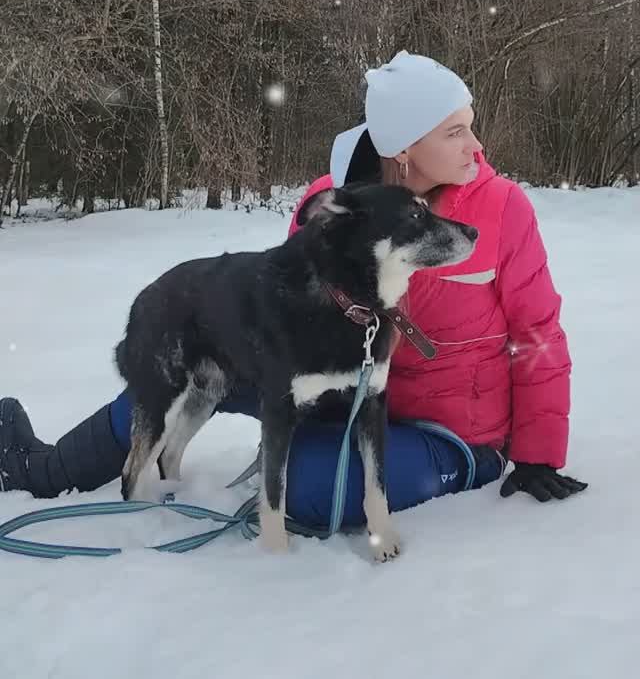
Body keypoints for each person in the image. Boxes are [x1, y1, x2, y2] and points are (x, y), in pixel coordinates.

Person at [0, 51, 587, 527]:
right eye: (456, 132)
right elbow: (280, 313)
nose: (476, 146)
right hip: (331, 398)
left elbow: (537, 333)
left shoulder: (502, 208)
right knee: (171, 370)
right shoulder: (331, 202)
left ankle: (328, 473)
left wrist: (537, 451)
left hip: (447, 431)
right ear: (404, 148)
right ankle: (41, 470)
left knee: (306, 489)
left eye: (471, 126)